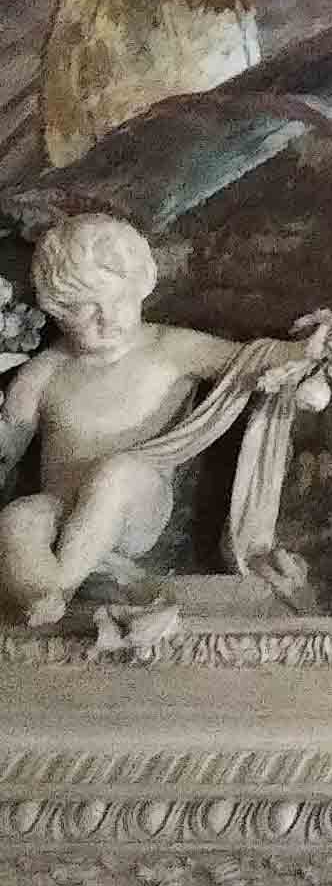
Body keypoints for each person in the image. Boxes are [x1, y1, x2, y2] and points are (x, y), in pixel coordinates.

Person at [0, 215, 256, 625]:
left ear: (140, 286)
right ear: (56, 310)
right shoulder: (43, 373)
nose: (107, 318)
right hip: (61, 510)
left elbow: (252, 361)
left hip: (136, 508)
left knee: (117, 473)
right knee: (19, 518)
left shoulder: (170, 349)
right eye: (86, 309)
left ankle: (62, 585)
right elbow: (6, 447)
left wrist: (315, 348)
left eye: (118, 299)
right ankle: (39, 595)